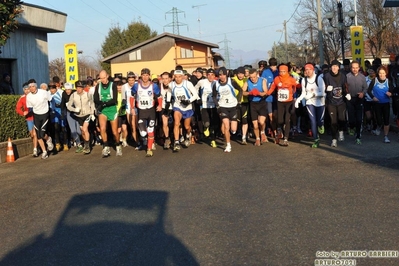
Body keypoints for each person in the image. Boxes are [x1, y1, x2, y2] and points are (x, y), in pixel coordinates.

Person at [131, 68, 162, 157]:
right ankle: (147, 140)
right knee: (143, 133)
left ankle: (149, 149)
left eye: (147, 75)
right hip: (141, 110)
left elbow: (159, 96)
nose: (145, 77)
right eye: (143, 75)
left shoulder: (154, 86)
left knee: (150, 129)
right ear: (141, 76)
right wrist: (132, 107)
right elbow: (132, 96)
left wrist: (159, 105)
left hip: (151, 110)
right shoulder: (136, 85)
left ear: (149, 76)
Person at [212, 67, 242, 152]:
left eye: (223, 74)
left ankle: (232, 126)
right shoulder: (216, 84)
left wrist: (239, 101)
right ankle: (228, 145)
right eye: (220, 75)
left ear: (226, 74)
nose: (222, 77)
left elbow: (240, 90)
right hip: (223, 106)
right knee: (226, 125)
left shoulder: (231, 81)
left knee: (233, 129)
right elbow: (214, 96)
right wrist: (217, 105)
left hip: (233, 106)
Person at [295, 63, 326, 148]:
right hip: (310, 103)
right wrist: (298, 99)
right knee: (312, 121)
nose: (307, 71)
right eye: (306, 70)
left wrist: (313, 94)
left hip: (320, 102)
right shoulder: (304, 80)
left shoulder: (318, 79)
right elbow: (303, 93)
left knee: (319, 121)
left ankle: (321, 125)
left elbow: (323, 93)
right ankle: (316, 139)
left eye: (309, 70)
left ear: (313, 70)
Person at [266, 64, 297, 146]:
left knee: (287, 120)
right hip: (280, 102)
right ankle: (279, 129)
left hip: (289, 102)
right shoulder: (276, 79)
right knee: (280, 120)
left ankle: (286, 138)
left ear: (287, 71)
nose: (282, 73)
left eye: (284, 71)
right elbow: (272, 88)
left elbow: (296, 87)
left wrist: (295, 96)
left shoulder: (291, 79)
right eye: (280, 71)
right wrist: (266, 94)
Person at [93, 70, 121, 157]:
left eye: (104, 78)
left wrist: (104, 103)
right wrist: (101, 105)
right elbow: (96, 99)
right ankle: (106, 146)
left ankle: (118, 144)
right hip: (103, 110)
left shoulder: (113, 85)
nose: (103, 80)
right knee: (102, 128)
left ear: (107, 76)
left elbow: (114, 100)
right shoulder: (98, 86)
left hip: (112, 109)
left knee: (114, 132)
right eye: (101, 78)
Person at [170, 69, 199, 152]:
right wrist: (168, 102)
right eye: (176, 77)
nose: (178, 79)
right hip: (177, 106)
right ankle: (176, 142)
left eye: (179, 77)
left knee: (187, 126)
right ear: (174, 77)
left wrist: (188, 101)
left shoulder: (187, 84)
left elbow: (195, 95)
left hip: (187, 107)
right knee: (176, 122)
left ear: (182, 77)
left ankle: (188, 134)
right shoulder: (171, 84)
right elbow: (169, 93)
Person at [323, 60, 349, 147]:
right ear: (331, 67)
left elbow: (345, 86)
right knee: (333, 121)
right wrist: (326, 89)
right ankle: (334, 139)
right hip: (331, 102)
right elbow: (323, 87)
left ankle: (341, 131)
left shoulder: (343, 76)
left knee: (341, 119)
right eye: (333, 66)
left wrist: (347, 93)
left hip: (341, 101)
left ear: (339, 67)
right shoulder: (326, 76)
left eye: (336, 66)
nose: (334, 68)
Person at [26, 82, 54, 159]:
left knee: (42, 134)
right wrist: (27, 112)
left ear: (36, 87)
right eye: (30, 87)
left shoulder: (43, 92)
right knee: (38, 135)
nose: (31, 88)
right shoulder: (28, 96)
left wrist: (53, 110)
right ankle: (44, 151)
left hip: (45, 114)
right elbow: (30, 107)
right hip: (36, 115)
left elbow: (51, 100)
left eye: (32, 86)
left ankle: (48, 139)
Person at [67, 80, 95, 154]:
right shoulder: (73, 95)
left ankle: (87, 146)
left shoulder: (87, 94)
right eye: (77, 88)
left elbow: (92, 103)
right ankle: (86, 142)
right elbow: (69, 106)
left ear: (83, 88)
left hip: (87, 114)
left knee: (85, 129)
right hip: (78, 115)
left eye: (80, 87)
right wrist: (74, 109)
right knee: (82, 131)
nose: (78, 89)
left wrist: (92, 113)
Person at [242, 68, 268, 146]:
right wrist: (250, 93)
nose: (252, 79)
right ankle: (257, 139)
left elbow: (266, 92)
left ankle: (262, 132)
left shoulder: (262, 81)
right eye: (251, 77)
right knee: (255, 125)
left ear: (257, 75)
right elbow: (243, 92)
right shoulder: (247, 82)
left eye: (254, 77)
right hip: (253, 104)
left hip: (262, 102)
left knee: (261, 122)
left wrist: (259, 93)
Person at [367, 65, 394, 143]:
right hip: (377, 103)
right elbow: (368, 91)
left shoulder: (388, 81)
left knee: (386, 120)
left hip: (386, 103)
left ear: (386, 73)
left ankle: (386, 136)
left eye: (383, 73)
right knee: (379, 120)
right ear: (378, 74)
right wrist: (373, 97)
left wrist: (390, 94)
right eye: (380, 73)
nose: (382, 75)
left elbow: (392, 91)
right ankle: (378, 126)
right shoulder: (374, 80)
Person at [195, 68, 220, 148]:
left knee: (215, 124)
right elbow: (194, 90)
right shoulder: (201, 82)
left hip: (214, 106)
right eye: (208, 74)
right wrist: (198, 98)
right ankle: (206, 127)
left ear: (214, 76)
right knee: (207, 123)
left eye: (212, 75)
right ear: (206, 75)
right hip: (205, 105)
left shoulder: (217, 83)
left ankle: (213, 140)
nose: (210, 76)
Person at [346, 61, 368, 144]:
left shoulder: (362, 77)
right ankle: (352, 127)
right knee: (351, 119)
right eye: (353, 67)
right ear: (351, 68)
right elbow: (344, 87)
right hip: (350, 99)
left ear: (359, 68)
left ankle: (358, 136)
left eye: (356, 67)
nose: (355, 69)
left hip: (359, 99)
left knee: (359, 119)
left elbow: (365, 88)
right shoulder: (347, 76)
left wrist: (363, 93)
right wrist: (346, 94)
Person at [16, 82, 38, 156]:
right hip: (29, 118)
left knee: (35, 134)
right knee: (32, 134)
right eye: (25, 89)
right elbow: (18, 108)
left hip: (37, 117)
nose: (27, 91)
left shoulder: (35, 95)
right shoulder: (22, 98)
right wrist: (23, 113)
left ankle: (35, 149)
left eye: (28, 89)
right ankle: (38, 146)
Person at [261, 58, 279, 139]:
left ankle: (278, 128)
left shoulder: (279, 72)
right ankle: (274, 132)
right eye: (272, 66)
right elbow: (262, 83)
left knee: (277, 116)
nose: (273, 68)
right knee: (271, 116)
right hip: (268, 98)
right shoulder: (265, 72)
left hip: (278, 98)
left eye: (274, 66)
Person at [232, 67, 249, 145]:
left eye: (242, 73)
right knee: (236, 120)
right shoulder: (233, 80)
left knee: (244, 120)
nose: (240, 75)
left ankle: (244, 137)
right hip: (235, 103)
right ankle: (234, 132)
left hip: (244, 102)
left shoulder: (247, 80)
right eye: (239, 73)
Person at [49, 81, 67, 152]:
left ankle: (65, 143)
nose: (52, 90)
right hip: (54, 113)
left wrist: (62, 108)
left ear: (56, 88)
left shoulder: (61, 92)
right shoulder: (48, 94)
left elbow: (64, 102)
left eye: (53, 88)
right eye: (50, 88)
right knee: (56, 128)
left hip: (61, 112)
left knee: (63, 128)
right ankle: (57, 143)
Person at [159, 71, 173, 149]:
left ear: (170, 79)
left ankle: (178, 137)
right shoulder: (159, 86)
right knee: (165, 124)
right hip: (164, 107)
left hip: (174, 106)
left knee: (176, 124)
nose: (165, 80)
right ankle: (167, 139)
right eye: (163, 78)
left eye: (166, 78)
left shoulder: (173, 86)